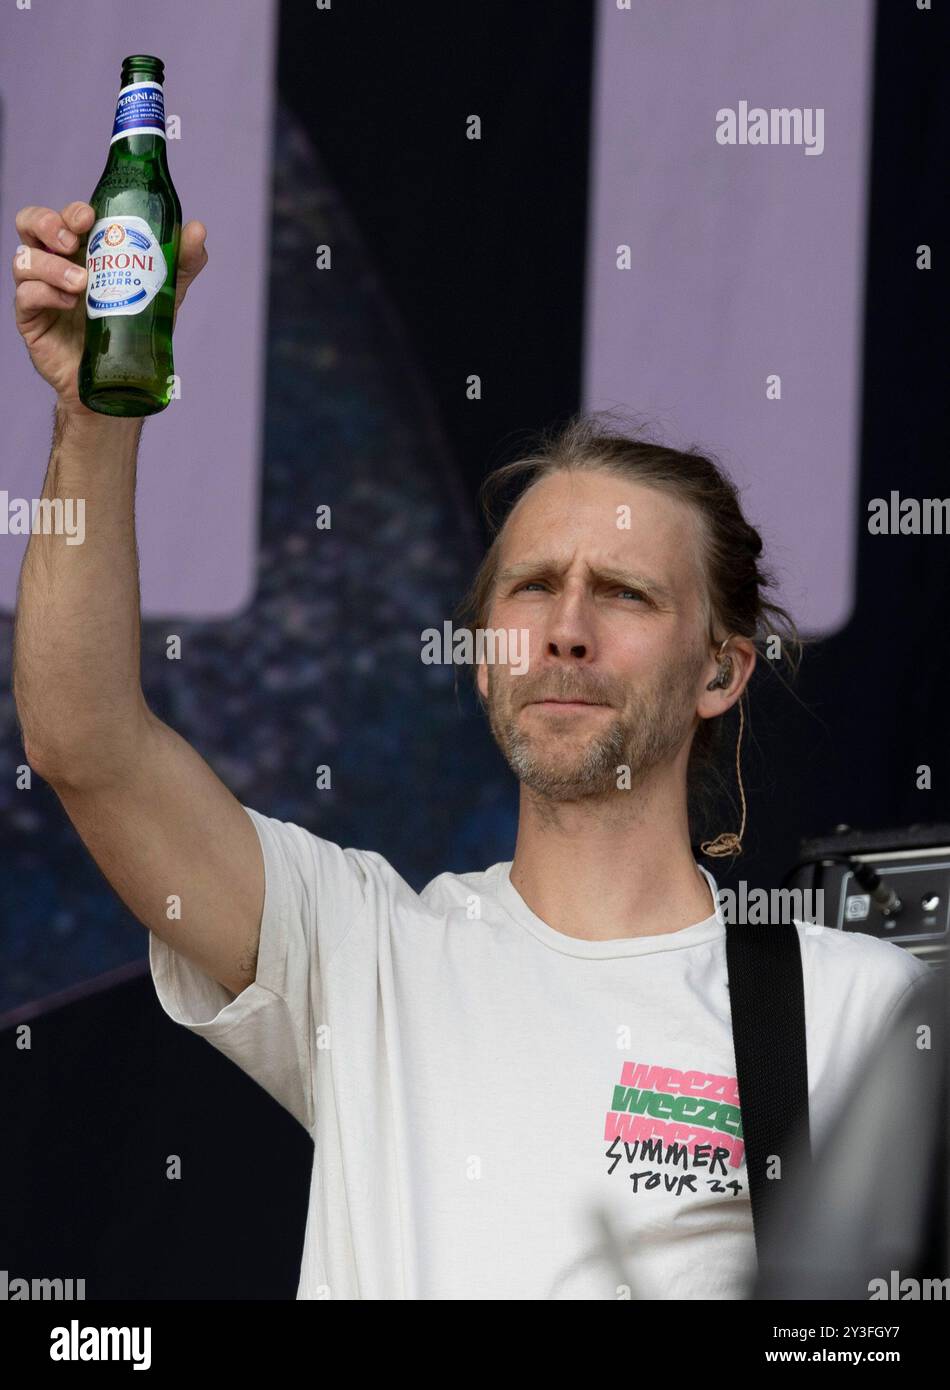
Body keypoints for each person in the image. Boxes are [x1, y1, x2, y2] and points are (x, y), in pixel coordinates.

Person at [11, 201, 930, 1301]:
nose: (566, 625)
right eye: (533, 585)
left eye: (625, 593)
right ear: (486, 654)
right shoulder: (360, 953)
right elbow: (82, 739)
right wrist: (97, 408)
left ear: (721, 672)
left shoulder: (849, 1007)